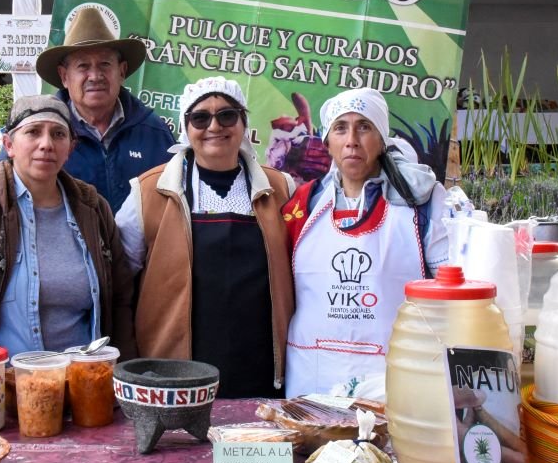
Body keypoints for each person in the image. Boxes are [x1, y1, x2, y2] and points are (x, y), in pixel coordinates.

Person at [116, 76, 296, 398]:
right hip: (174, 373)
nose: (215, 126)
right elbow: (120, 281)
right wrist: (130, 357)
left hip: (262, 370)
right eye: (200, 117)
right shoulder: (148, 192)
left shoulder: (281, 188)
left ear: (243, 122)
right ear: (186, 127)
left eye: (227, 115)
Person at [0, 95, 136, 360]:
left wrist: (122, 371)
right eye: (33, 132)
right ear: (9, 145)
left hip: (85, 383)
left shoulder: (93, 208)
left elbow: (121, 297)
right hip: (3, 386)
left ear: (70, 147)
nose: (46, 144)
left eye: (58, 134)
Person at [283, 87, 449, 399]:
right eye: (340, 128)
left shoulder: (422, 202)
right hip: (312, 375)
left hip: (391, 378)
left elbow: (450, 289)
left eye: (364, 127)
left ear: (382, 138)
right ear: (328, 141)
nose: (352, 141)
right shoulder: (303, 205)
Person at [0, 6, 175, 213]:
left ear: (121, 71)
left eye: (104, 64)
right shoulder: (35, 132)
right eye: (83, 66)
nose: (95, 76)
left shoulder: (154, 132)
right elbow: (6, 195)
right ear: (64, 76)